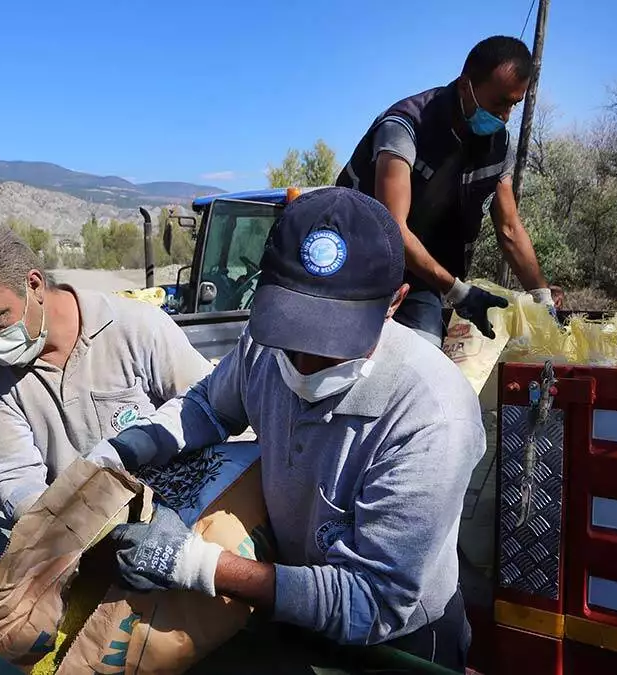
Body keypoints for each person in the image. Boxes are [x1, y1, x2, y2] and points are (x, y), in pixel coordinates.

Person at [85, 188, 484, 671]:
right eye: (292, 332)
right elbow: (211, 405)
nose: (304, 363)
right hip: (290, 599)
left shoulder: (430, 416)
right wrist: (132, 447)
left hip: (397, 644)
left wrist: (196, 564)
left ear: (394, 303)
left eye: (332, 341)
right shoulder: (263, 345)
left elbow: (372, 601)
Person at [0, 225, 213, 522]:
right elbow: (13, 476)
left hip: (181, 510)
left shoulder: (136, 327)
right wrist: (58, 527)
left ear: (34, 285)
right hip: (78, 527)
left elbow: (207, 407)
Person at [336, 35, 561, 345]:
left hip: (420, 278)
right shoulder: (405, 127)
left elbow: (509, 228)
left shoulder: (500, 146)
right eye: (498, 103)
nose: (505, 116)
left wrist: (542, 295)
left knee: (424, 360)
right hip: (357, 268)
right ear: (465, 85)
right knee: (350, 359)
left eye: (513, 105)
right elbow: (392, 228)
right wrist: (456, 291)